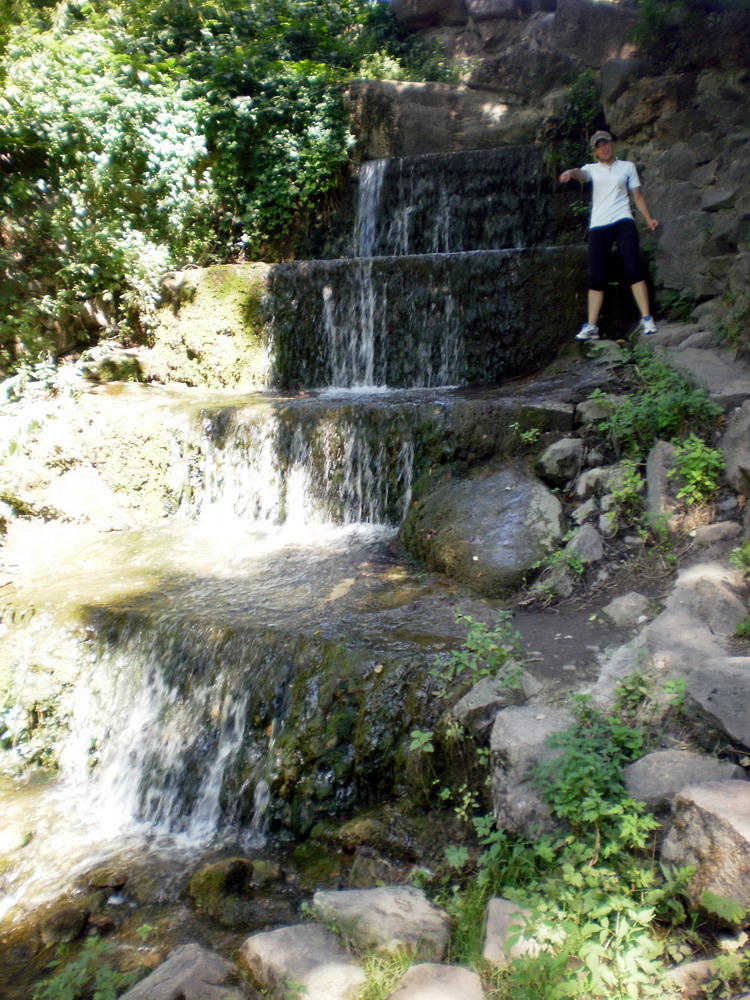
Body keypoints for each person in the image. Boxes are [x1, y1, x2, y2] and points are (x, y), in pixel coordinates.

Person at [559, 130, 659, 341]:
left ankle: (647, 319)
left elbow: (638, 196)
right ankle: (592, 326)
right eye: (599, 146)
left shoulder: (627, 167)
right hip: (599, 224)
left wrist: (648, 218)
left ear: (612, 145)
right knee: (597, 276)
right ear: (595, 152)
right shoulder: (591, 169)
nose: (603, 148)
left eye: (606, 143)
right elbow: (581, 174)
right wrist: (570, 172)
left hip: (623, 220)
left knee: (632, 268)